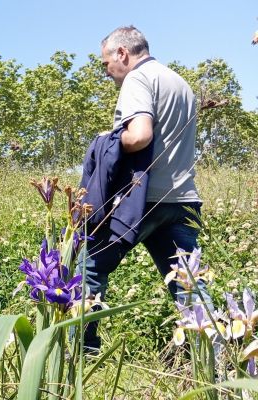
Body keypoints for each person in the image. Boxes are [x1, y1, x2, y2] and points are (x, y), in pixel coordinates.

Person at [79, 26, 209, 351]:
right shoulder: (180, 83)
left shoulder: (138, 79)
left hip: (144, 201)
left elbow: (139, 136)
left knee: (88, 267)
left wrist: (105, 141)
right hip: (183, 201)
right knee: (189, 285)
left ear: (122, 53)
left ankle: (80, 355)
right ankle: (214, 364)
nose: (107, 72)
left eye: (106, 63)